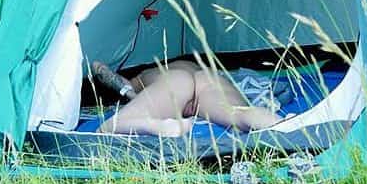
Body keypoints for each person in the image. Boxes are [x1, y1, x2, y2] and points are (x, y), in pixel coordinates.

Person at [92, 60, 281, 137]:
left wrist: (133, 94)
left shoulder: (148, 73)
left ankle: (154, 125)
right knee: (238, 114)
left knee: (108, 127)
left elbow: (99, 68)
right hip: (209, 79)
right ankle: (283, 124)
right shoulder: (198, 65)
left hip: (178, 81)